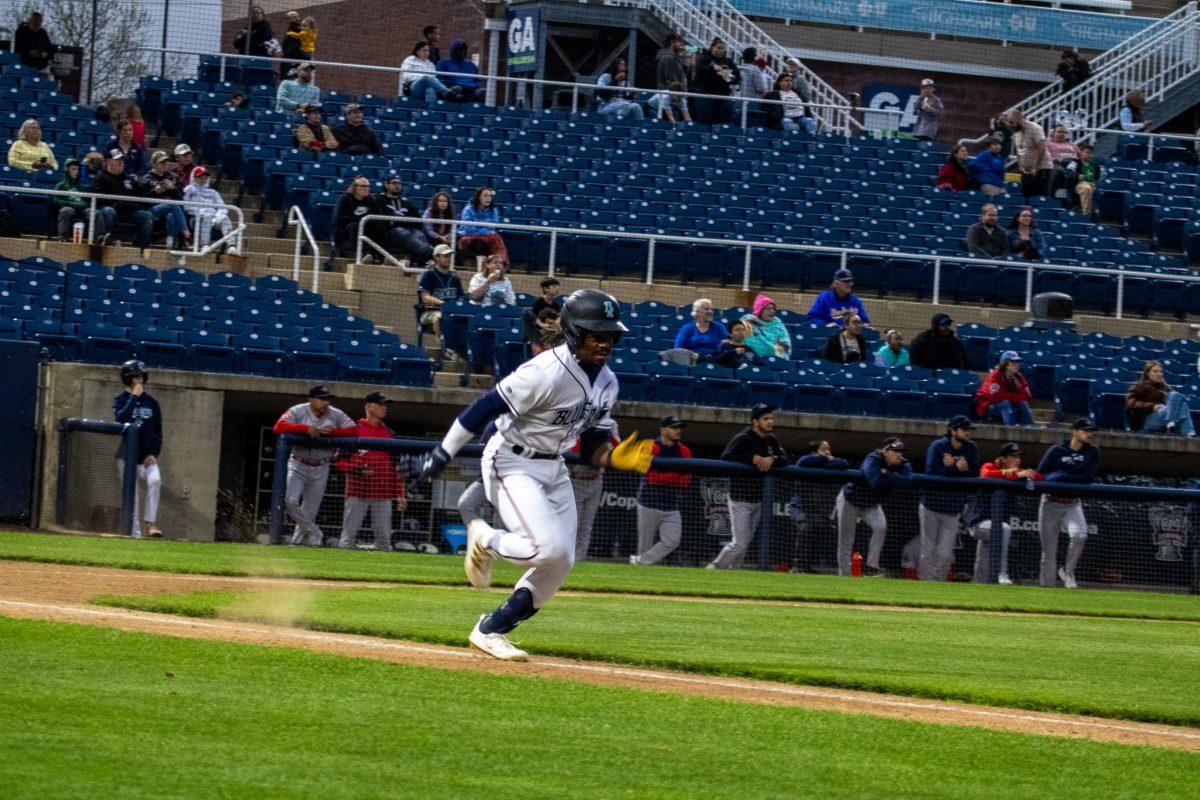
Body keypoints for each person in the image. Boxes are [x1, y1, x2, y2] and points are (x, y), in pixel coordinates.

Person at [417, 289, 650, 661]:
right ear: (575, 332)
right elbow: (483, 408)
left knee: (561, 561)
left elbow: (593, 447)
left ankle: (491, 630)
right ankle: (485, 539)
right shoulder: (545, 372)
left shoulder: (608, 383)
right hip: (511, 459)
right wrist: (443, 452)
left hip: (553, 466)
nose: (604, 342)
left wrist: (614, 457)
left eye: (610, 335)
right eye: (595, 334)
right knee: (546, 548)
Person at [273, 384, 357, 547]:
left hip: (321, 466)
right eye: (321, 399)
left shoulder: (335, 414)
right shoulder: (299, 410)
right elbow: (279, 427)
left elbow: (353, 431)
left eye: (327, 399)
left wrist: (332, 433)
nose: (325, 403)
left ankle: (298, 544)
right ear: (311, 400)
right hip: (298, 463)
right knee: (289, 501)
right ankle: (314, 532)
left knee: (310, 512)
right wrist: (305, 429)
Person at [709, 403, 791, 569]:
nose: (770, 422)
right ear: (755, 421)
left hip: (759, 498)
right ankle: (714, 567)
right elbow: (726, 457)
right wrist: (750, 458)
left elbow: (785, 458)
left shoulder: (771, 439)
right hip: (740, 498)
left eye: (771, 418)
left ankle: (734, 572)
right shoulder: (744, 437)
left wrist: (772, 459)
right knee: (739, 543)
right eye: (766, 418)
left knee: (744, 544)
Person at [335, 391, 407, 551]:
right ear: (368, 406)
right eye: (380, 404)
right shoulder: (353, 430)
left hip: (383, 493)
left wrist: (400, 493)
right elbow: (338, 461)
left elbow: (398, 466)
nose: (384, 407)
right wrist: (357, 470)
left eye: (385, 404)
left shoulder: (390, 434)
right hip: (356, 492)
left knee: (384, 543)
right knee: (347, 540)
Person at [1036, 420, 1100, 589]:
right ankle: (1046, 589)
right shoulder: (1056, 450)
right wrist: (1063, 476)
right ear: (1074, 431)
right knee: (1048, 552)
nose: (1089, 434)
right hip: (1050, 502)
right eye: (1085, 430)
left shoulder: (1092, 452)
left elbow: (1087, 478)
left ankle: (1068, 571)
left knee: (1080, 534)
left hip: (1073, 503)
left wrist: (1061, 475)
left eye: (1090, 431)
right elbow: (1041, 474)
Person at [966, 443, 1042, 585]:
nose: (1018, 459)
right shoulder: (990, 466)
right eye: (1014, 456)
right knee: (1003, 529)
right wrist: (1009, 474)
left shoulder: (1018, 472)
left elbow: (1039, 477)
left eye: (1019, 456)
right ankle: (1001, 572)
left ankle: (977, 585)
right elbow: (985, 475)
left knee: (983, 562)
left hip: (994, 524)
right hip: (978, 522)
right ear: (1004, 459)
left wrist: (1023, 474)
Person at [836, 438, 912, 577]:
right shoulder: (873, 458)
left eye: (900, 451)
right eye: (895, 451)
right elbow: (875, 483)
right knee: (846, 539)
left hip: (871, 504)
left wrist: (887, 473)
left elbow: (907, 483)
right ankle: (844, 574)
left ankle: (872, 566)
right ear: (885, 451)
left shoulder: (904, 464)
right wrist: (894, 478)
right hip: (850, 500)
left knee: (880, 527)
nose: (899, 454)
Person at [919, 417, 980, 581]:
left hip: (953, 507)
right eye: (964, 429)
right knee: (928, 549)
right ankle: (925, 585)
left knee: (946, 553)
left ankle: (938, 585)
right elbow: (931, 472)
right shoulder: (938, 446)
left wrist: (953, 467)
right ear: (953, 430)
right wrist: (955, 467)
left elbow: (974, 474)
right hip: (931, 504)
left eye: (969, 429)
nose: (968, 432)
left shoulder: (971, 448)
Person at [631, 416, 693, 566]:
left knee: (672, 541)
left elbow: (686, 480)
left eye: (679, 428)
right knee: (644, 546)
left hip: (671, 506)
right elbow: (650, 478)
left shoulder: (684, 451)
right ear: (663, 429)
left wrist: (665, 476)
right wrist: (674, 476)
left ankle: (639, 562)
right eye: (674, 427)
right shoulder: (650, 446)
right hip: (648, 504)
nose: (678, 431)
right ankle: (638, 576)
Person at [113, 360, 163, 539]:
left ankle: (150, 523)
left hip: (146, 458)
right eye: (136, 376)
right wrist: (133, 397)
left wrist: (153, 454)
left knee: (155, 481)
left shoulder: (152, 402)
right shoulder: (120, 400)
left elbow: (158, 432)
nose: (139, 379)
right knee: (132, 498)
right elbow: (120, 420)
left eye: (141, 376)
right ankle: (135, 536)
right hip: (126, 457)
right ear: (128, 379)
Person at [93, 151, 154, 248]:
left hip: (130, 213)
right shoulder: (101, 177)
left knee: (147, 215)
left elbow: (140, 195)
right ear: (109, 161)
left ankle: (140, 247)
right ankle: (107, 241)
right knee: (109, 211)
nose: (121, 162)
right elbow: (98, 198)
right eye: (117, 159)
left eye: (122, 159)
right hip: (112, 211)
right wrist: (117, 202)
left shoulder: (129, 179)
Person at [1126, 360, 1196, 437]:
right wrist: (1152, 406)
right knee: (1176, 397)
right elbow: (1131, 403)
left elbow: (1177, 402)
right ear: (1148, 373)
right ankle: (1174, 425)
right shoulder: (1139, 385)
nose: (1159, 374)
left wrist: (1167, 386)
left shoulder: (1164, 386)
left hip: (1164, 415)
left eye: (1160, 372)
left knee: (1183, 405)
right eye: (1155, 371)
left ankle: (1188, 435)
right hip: (1149, 420)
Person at [375, 172, 432, 264]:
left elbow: (417, 220)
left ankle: (426, 256)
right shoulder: (379, 200)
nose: (397, 185)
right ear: (386, 184)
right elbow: (385, 220)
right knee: (404, 234)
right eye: (394, 183)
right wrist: (403, 221)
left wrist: (398, 220)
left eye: (399, 183)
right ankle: (430, 253)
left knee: (420, 235)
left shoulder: (406, 202)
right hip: (393, 232)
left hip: (410, 229)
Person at [139, 151, 190, 250]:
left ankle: (170, 244)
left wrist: (174, 188)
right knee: (173, 205)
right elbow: (144, 197)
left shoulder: (173, 177)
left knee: (172, 214)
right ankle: (185, 232)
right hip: (153, 209)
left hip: (171, 209)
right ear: (153, 163)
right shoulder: (147, 177)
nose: (165, 165)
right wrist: (159, 189)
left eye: (166, 162)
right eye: (162, 162)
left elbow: (181, 197)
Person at [417, 244, 464, 347]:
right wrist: (443, 303)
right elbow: (425, 298)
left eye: (449, 256)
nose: (449, 258)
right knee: (440, 317)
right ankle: (442, 346)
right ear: (436, 257)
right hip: (430, 312)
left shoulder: (454, 278)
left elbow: (461, 298)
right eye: (445, 256)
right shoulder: (429, 275)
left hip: (452, 313)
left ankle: (461, 350)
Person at [54, 159, 108, 241]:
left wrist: (81, 204)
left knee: (96, 212)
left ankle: (100, 237)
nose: (76, 171)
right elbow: (56, 200)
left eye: (78, 169)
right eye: (73, 169)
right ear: (67, 170)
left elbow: (87, 202)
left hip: (83, 210)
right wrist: (69, 203)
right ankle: (62, 237)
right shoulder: (61, 185)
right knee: (65, 210)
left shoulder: (83, 186)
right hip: (70, 208)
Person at [976, 351, 1035, 425]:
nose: (1017, 365)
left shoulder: (1019, 377)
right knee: (1005, 403)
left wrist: (1012, 397)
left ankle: (1029, 427)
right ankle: (1010, 429)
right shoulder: (994, 375)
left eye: (1018, 362)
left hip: (1010, 404)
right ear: (1005, 364)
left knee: (1022, 403)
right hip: (989, 406)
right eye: (1013, 362)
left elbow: (1027, 396)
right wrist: (1015, 397)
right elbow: (996, 396)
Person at [183, 167, 234, 252]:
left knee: (225, 218)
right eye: (200, 177)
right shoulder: (189, 189)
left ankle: (231, 245)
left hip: (213, 218)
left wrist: (218, 216)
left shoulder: (213, 192)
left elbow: (222, 207)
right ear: (194, 177)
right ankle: (204, 245)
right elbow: (186, 206)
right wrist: (200, 212)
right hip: (196, 218)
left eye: (205, 177)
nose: (203, 179)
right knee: (207, 216)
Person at [333, 176, 382, 257]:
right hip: (348, 228)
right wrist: (361, 220)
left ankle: (380, 256)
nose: (366, 188)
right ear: (355, 187)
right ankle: (362, 255)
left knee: (380, 228)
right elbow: (340, 218)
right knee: (353, 227)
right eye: (363, 186)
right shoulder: (345, 198)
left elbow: (378, 216)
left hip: (367, 227)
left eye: (367, 186)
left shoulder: (371, 200)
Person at [1008, 109, 1053, 198]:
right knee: (1026, 197)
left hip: (1041, 168)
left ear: (1019, 118)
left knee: (1039, 199)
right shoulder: (1017, 132)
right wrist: (1022, 168)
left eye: (1011, 122)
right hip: (1027, 170)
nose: (1010, 125)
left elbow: (1042, 148)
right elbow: (1020, 151)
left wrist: (1036, 168)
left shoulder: (1035, 128)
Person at [805, 267, 870, 327]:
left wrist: (865, 325)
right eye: (845, 281)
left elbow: (864, 321)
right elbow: (812, 318)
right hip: (828, 335)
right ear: (835, 284)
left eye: (850, 281)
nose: (849, 284)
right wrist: (826, 324)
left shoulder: (856, 301)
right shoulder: (824, 298)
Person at [693, 38, 737, 126]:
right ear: (712, 47)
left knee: (723, 124)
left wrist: (728, 75)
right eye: (718, 48)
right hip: (705, 96)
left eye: (723, 48)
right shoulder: (703, 58)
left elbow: (736, 77)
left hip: (723, 98)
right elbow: (698, 72)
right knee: (704, 124)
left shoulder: (728, 61)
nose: (721, 51)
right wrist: (711, 68)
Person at [458, 187, 509, 263]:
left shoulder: (494, 211)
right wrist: (485, 229)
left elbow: (492, 227)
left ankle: (499, 262)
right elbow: (469, 229)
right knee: (492, 238)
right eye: (485, 195)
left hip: (487, 237)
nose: (488, 198)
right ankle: (499, 261)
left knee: (494, 238)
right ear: (478, 197)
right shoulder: (468, 209)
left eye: (490, 196)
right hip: (468, 235)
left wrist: (480, 228)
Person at [743, 293, 791, 359]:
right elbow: (745, 341)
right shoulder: (748, 321)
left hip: (776, 361)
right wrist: (770, 347)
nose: (772, 311)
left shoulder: (778, 323)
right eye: (768, 309)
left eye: (773, 309)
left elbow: (785, 343)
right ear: (759, 311)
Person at [596, 59, 644, 123]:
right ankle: (618, 126)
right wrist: (615, 80)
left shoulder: (625, 82)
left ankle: (639, 129)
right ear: (615, 67)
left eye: (624, 66)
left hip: (621, 105)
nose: (623, 68)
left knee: (636, 106)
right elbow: (602, 94)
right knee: (625, 104)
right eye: (620, 66)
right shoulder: (605, 77)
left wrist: (632, 94)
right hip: (606, 106)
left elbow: (626, 99)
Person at [438, 39, 482, 103]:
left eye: (464, 49)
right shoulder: (443, 63)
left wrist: (473, 86)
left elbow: (478, 81)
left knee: (482, 92)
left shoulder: (471, 65)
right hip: (454, 89)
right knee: (457, 89)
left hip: (470, 90)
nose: (462, 52)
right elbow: (441, 80)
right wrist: (454, 83)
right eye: (459, 49)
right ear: (453, 50)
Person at [1064, 143, 1101, 215]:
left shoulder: (1095, 166)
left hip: (1091, 184)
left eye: (1092, 153)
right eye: (1087, 152)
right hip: (1077, 184)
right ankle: (1086, 213)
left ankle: (1085, 210)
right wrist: (1077, 176)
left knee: (1089, 188)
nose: (1090, 155)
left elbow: (1097, 178)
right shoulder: (1075, 163)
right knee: (1086, 188)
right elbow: (1068, 173)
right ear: (1081, 152)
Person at [279, 10, 303, 82]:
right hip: (289, 61)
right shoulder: (290, 31)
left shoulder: (301, 30)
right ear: (289, 19)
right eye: (294, 17)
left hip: (297, 60)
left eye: (298, 16)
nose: (298, 18)